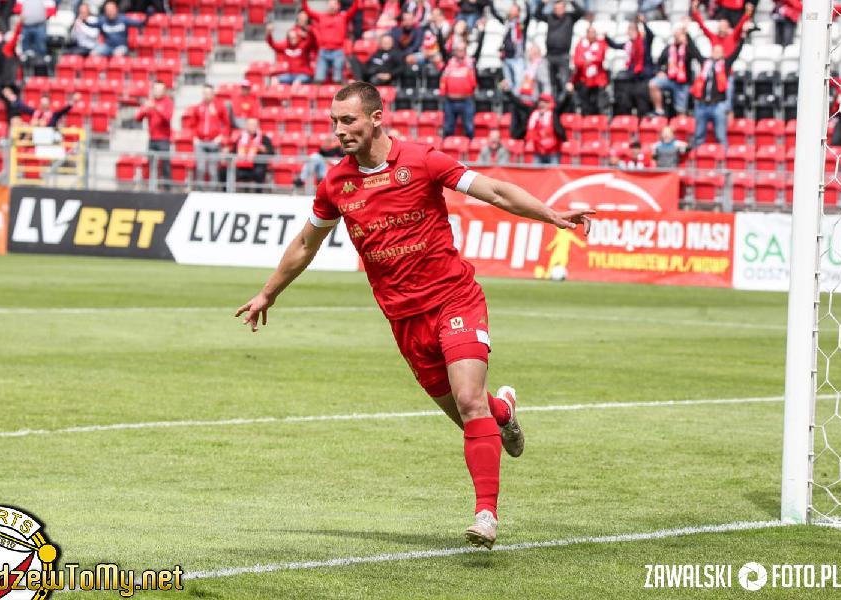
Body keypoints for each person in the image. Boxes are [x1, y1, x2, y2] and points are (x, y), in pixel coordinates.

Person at [234, 81, 593, 548]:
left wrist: (552, 215)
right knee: (472, 415)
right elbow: (306, 243)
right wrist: (268, 293)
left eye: (348, 120)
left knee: (469, 400)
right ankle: (504, 411)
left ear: (376, 118)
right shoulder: (336, 184)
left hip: (453, 299)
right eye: (334, 121)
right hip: (404, 320)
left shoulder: (423, 160)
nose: (339, 130)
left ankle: (486, 515)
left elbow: (494, 192)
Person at [691, 41, 743, 148]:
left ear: (723, 54)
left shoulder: (725, 65)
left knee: (720, 136)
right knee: (699, 135)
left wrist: (741, 40)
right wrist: (687, 35)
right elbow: (695, 51)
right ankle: (697, 156)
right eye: (715, 51)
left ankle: (724, 156)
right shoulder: (705, 63)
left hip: (718, 105)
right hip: (702, 104)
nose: (716, 53)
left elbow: (735, 54)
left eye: (719, 51)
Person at [535, 0, 585, 97]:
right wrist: (543, 3)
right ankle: (552, 102)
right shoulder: (550, 17)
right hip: (550, 55)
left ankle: (563, 103)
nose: (557, 10)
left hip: (563, 55)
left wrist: (572, 2)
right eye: (555, 8)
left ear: (564, 8)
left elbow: (581, 12)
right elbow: (537, 15)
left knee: (564, 82)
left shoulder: (570, 17)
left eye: (559, 8)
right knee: (550, 82)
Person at [649, 24, 702, 116]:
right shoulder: (669, 48)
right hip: (670, 79)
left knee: (681, 110)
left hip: (683, 83)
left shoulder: (688, 48)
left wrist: (688, 39)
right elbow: (659, 62)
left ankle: (680, 121)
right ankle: (659, 110)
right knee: (653, 84)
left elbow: (698, 57)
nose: (678, 37)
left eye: (680, 35)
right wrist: (659, 71)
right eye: (676, 35)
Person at [302, 0, 359, 83]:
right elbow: (308, 10)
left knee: (338, 79)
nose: (332, 6)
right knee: (318, 79)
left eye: (334, 4)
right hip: (323, 51)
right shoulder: (321, 17)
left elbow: (354, 8)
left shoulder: (343, 17)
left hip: (338, 51)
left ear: (338, 6)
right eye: (330, 4)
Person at [606, 18, 654, 117]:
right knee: (625, 98)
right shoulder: (629, 44)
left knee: (642, 99)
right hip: (633, 76)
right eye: (629, 29)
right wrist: (607, 38)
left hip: (643, 76)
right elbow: (615, 45)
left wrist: (643, 23)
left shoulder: (644, 42)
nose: (629, 32)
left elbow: (651, 35)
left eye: (632, 29)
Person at [187, 84, 231, 186]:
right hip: (200, 142)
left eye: (209, 93)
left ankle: (213, 191)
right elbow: (192, 124)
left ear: (213, 94)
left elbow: (226, 124)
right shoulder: (198, 107)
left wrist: (221, 137)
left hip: (214, 142)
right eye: (205, 93)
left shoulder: (219, 107)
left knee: (213, 170)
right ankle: (199, 191)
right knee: (200, 168)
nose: (207, 95)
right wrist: (195, 137)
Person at [135, 81, 173, 186]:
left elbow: (167, 117)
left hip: (164, 140)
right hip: (152, 139)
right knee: (151, 165)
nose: (157, 92)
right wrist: (145, 109)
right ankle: (152, 187)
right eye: (155, 89)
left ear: (164, 91)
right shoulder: (150, 102)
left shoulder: (168, 102)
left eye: (160, 89)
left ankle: (167, 188)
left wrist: (156, 108)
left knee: (165, 165)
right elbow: (138, 118)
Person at [440, 41, 477, 139]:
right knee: (448, 129)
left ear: (465, 51)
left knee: (469, 128)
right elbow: (443, 79)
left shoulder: (470, 63)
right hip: (450, 100)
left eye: (462, 50)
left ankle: (470, 147)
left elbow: (474, 82)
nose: (460, 52)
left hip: (466, 100)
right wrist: (442, 92)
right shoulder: (449, 63)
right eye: (458, 50)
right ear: (455, 51)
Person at [570, 25, 608, 115]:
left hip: (597, 80)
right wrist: (587, 61)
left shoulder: (600, 44)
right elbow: (577, 61)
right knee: (584, 104)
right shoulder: (581, 44)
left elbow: (600, 57)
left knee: (597, 104)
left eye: (593, 32)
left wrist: (588, 60)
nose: (592, 35)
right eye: (590, 32)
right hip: (583, 79)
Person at [231, 118, 274, 192]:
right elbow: (233, 152)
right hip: (241, 166)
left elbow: (271, 152)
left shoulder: (264, 138)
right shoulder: (241, 138)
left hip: (257, 166)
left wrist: (264, 150)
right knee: (226, 171)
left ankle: (258, 193)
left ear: (258, 126)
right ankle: (230, 192)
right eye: (249, 124)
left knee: (259, 171)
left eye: (253, 124)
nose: (251, 126)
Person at [525, 92, 568, 164]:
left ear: (550, 104)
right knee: (535, 170)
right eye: (540, 102)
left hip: (553, 152)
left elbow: (563, 105)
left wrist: (568, 94)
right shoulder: (534, 116)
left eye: (545, 102)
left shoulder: (554, 115)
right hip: (538, 152)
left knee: (553, 171)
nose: (542, 104)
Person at [500, 3, 530, 90]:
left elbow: (528, 16)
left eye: (514, 10)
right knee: (508, 83)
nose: (511, 11)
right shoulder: (506, 23)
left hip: (517, 57)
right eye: (511, 9)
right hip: (506, 57)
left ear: (518, 12)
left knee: (519, 82)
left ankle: (517, 97)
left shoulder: (521, 24)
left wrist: (526, 3)